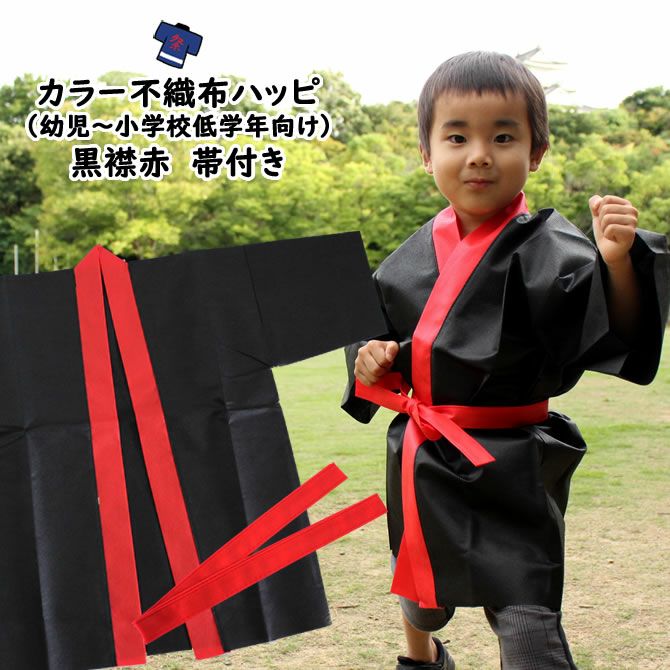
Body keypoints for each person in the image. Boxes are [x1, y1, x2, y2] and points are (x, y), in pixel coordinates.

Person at [342, 52, 669, 670]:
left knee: (526, 618)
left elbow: (608, 327)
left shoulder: (555, 247)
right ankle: (423, 655)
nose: (479, 155)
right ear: (426, 153)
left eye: (502, 137)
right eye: (456, 137)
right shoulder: (410, 256)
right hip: (426, 456)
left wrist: (617, 261)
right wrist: (371, 360)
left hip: (514, 461)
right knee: (421, 596)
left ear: (535, 152)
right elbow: (372, 341)